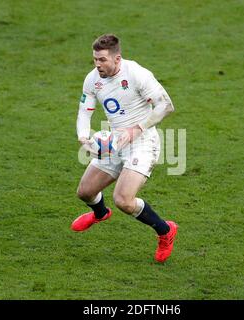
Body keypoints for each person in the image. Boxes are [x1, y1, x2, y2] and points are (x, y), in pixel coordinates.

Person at [72, 34, 177, 263]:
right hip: (116, 141)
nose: (97, 64)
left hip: (142, 142)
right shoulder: (92, 79)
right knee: (85, 192)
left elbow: (166, 106)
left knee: (124, 200)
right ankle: (100, 213)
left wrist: (136, 129)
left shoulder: (137, 74)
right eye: (95, 60)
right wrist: (83, 137)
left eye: (102, 60)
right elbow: (84, 111)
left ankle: (165, 231)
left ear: (117, 58)